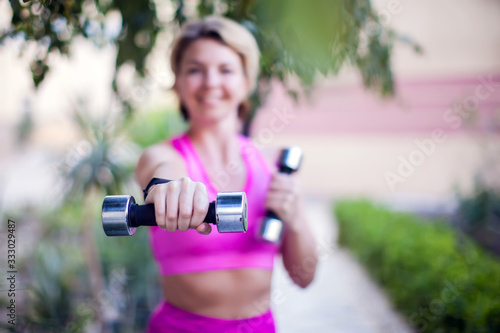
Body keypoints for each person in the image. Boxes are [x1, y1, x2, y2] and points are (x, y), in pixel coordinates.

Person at [135, 15, 318, 332]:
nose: (210, 82)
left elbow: (304, 277)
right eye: (195, 69)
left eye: (226, 70)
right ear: (177, 82)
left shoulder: (271, 168)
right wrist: (172, 188)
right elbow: (163, 173)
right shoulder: (163, 156)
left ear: (246, 82)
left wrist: (296, 215)